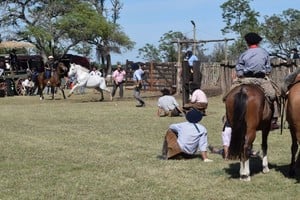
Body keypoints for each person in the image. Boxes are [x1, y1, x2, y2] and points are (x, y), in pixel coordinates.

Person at [230, 32, 280, 129]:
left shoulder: (244, 54)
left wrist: (240, 75)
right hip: (261, 79)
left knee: (229, 95)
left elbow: (239, 69)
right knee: (273, 95)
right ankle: (274, 119)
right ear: (258, 42)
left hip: (245, 79)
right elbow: (268, 69)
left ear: (247, 42)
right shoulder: (264, 53)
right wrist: (266, 71)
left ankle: (228, 118)